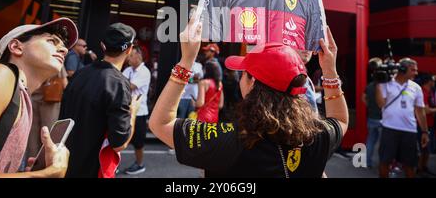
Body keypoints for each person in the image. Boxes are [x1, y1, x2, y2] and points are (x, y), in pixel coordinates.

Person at [149, 17, 348, 178]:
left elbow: (160, 123)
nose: (239, 78)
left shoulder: (230, 142)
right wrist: (330, 71)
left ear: (252, 82)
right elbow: (340, 119)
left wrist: (186, 60)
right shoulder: (317, 137)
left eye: (243, 72)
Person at [0, 17, 77, 177]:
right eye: (52, 41)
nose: (64, 50)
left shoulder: (21, 95)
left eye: (63, 46)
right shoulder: (1, 76)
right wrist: (45, 174)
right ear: (16, 47)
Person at [59, 23, 140, 178]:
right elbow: (119, 143)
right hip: (92, 168)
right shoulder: (119, 84)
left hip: (63, 163)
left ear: (103, 46)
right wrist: (133, 111)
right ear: (129, 50)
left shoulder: (80, 74)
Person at [375, 58, 429, 178]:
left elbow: (420, 111)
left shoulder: (416, 87)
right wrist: (378, 83)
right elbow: (381, 104)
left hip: (410, 131)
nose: (416, 73)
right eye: (413, 70)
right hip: (389, 129)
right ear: (403, 69)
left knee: (410, 165)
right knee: (385, 162)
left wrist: (425, 131)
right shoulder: (385, 84)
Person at [26, 67, 68, 159]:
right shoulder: (55, 60)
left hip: (32, 98)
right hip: (50, 102)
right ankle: (47, 162)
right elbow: (65, 84)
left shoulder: (34, 60)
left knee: (32, 136)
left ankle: (32, 163)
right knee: (49, 134)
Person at [122, 45, 151, 175]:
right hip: (125, 110)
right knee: (119, 138)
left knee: (138, 143)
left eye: (131, 55)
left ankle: (140, 165)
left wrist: (120, 81)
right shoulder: (128, 69)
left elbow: (129, 86)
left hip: (139, 112)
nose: (128, 58)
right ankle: (112, 164)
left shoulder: (144, 72)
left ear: (139, 56)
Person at [361, 57, 383, 169]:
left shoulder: (369, 86)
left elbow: (363, 98)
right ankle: (383, 165)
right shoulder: (384, 85)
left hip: (372, 117)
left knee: (370, 140)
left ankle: (367, 161)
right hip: (383, 118)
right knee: (383, 143)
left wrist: (369, 106)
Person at [417, 74, 436, 176]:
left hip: (430, 124)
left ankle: (424, 167)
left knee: (427, 149)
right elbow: (425, 110)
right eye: (432, 80)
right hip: (423, 125)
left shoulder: (430, 92)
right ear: (428, 81)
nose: (434, 82)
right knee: (423, 148)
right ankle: (419, 169)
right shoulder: (422, 93)